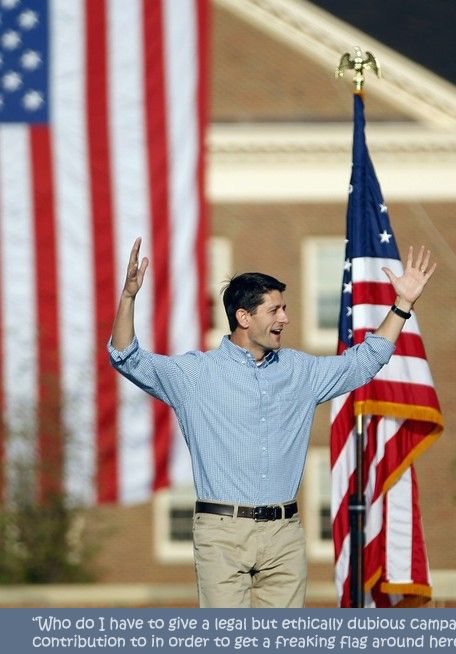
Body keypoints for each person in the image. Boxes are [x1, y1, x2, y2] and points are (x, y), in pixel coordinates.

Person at [108, 237, 436, 608]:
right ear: (244, 317)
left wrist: (402, 305)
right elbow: (125, 356)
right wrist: (129, 297)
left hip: (285, 533)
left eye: (285, 308)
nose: (285, 318)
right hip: (221, 534)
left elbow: (365, 361)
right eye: (275, 310)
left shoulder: (300, 370)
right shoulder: (195, 375)